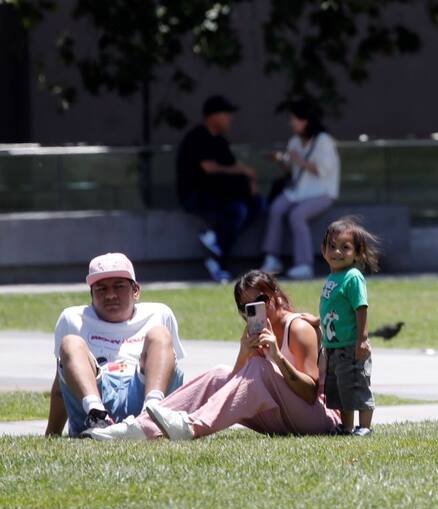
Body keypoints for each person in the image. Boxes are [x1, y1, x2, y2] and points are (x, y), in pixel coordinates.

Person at [85, 270, 340, 441]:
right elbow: (235, 385)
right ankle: (140, 426)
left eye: (262, 299)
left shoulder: (298, 328)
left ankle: (191, 426)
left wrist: (276, 357)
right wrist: (245, 352)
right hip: (283, 419)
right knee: (220, 373)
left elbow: (310, 393)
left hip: (317, 420)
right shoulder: (256, 331)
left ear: (277, 295)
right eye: (246, 307)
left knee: (259, 370)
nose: (255, 309)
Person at [44, 252, 187, 438]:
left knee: (159, 334)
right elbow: (61, 383)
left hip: (144, 389)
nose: (110, 295)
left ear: (136, 291)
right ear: (91, 294)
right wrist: (52, 433)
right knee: (71, 342)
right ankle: (97, 417)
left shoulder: (159, 314)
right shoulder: (72, 319)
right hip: (94, 395)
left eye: (118, 286)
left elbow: (172, 369)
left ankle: (152, 414)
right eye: (101, 289)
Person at [176, 94, 265, 283]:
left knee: (258, 205)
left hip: (223, 195)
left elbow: (231, 169)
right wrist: (242, 170)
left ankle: (216, 242)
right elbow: (209, 168)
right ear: (213, 116)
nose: (229, 118)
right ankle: (220, 263)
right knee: (237, 212)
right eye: (226, 113)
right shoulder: (197, 137)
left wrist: (249, 180)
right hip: (198, 196)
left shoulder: (221, 142)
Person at [260, 98, 340, 280]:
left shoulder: (323, 141)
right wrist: (281, 161)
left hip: (322, 192)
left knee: (297, 215)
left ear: (305, 120)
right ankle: (272, 257)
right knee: (276, 208)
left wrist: (298, 159)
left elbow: (322, 170)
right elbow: (291, 169)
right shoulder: (295, 141)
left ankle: (304, 264)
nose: (291, 123)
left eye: (293, 119)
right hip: (299, 191)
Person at [318, 218, 379, 436]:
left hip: (351, 346)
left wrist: (362, 339)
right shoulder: (334, 277)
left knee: (357, 386)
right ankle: (347, 426)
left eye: (345, 247)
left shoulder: (353, 277)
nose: (337, 252)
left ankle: (365, 427)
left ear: (357, 253)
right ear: (323, 250)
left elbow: (361, 308)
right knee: (342, 390)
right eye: (332, 246)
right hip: (335, 346)